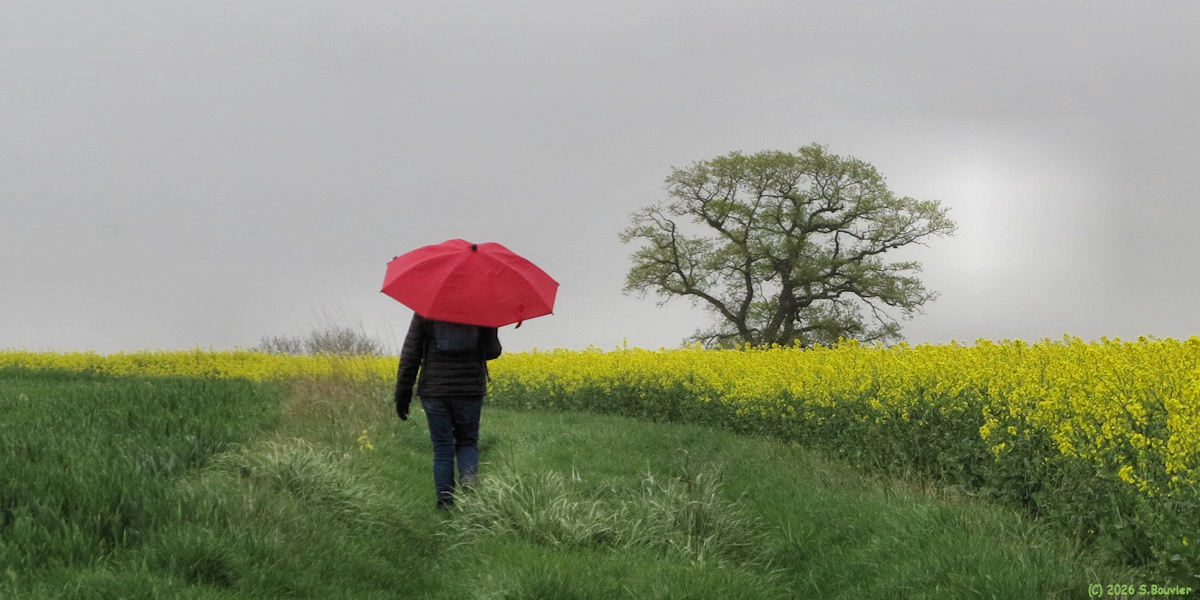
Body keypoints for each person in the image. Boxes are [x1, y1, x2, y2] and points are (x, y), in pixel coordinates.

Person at [394, 312, 502, 510]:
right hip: (469, 390)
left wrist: (402, 395)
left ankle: (445, 503)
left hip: (435, 391)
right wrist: (491, 325)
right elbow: (492, 351)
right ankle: (468, 476)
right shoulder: (482, 310)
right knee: (468, 441)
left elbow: (411, 356)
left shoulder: (425, 312)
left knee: (443, 448)